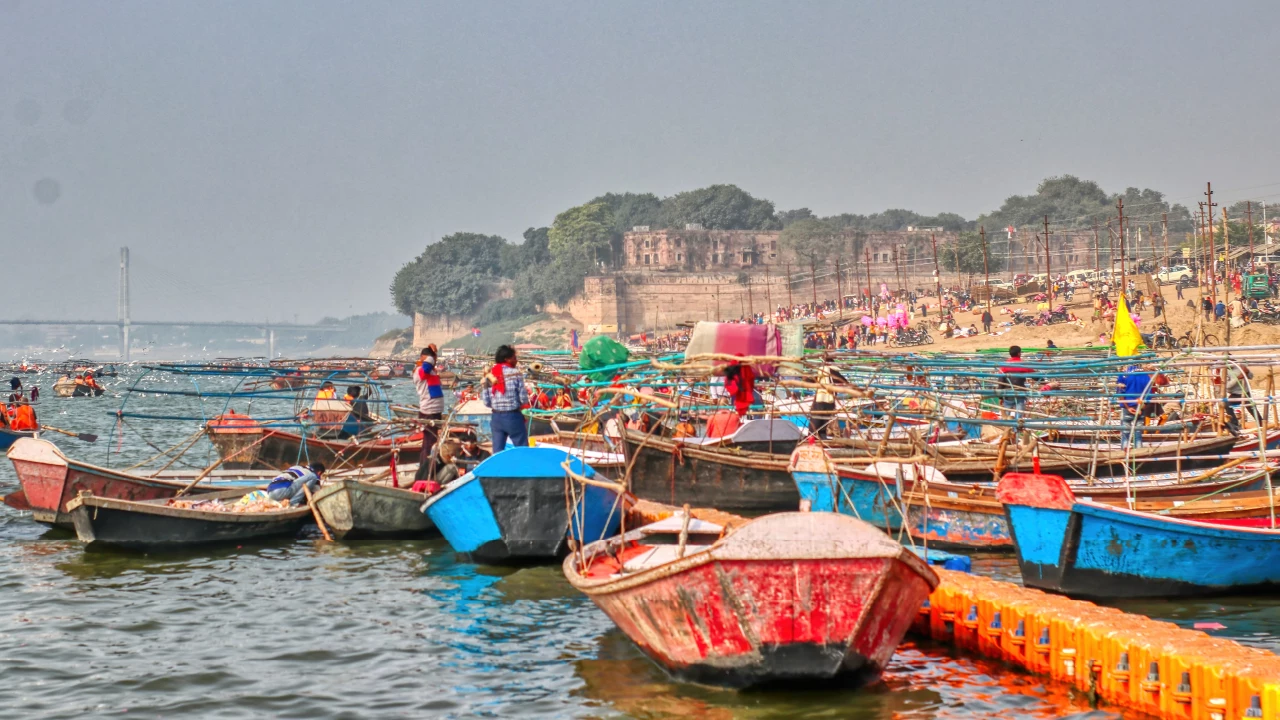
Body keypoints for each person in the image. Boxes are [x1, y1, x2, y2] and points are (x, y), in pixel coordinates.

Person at [482, 344, 530, 451]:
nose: (516, 360)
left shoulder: (490, 375)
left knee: (497, 452)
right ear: (507, 359)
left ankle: (498, 467)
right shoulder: (516, 374)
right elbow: (523, 399)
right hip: (513, 417)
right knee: (522, 450)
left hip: (496, 418)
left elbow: (486, 401)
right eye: (514, 358)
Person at [413, 346, 445, 481]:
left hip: (435, 410)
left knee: (431, 441)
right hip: (429, 411)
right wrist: (430, 356)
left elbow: (431, 363)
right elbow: (427, 365)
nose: (434, 361)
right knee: (429, 443)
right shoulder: (421, 370)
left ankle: (427, 469)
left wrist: (433, 355)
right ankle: (425, 472)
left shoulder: (429, 369)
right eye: (432, 358)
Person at [1116, 368, 1154, 448]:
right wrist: (1141, 407)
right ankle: (1139, 453)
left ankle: (1125, 453)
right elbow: (1148, 396)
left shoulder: (1123, 375)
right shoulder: (1146, 376)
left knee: (1125, 434)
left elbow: (1120, 394)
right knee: (1138, 433)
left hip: (1127, 408)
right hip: (1140, 408)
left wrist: (1128, 407)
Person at [997, 346, 1034, 416]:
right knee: (1019, 416)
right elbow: (1035, 375)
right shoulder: (1023, 365)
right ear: (1019, 353)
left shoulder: (1004, 366)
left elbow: (1000, 382)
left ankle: (1007, 425)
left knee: (1006, 415)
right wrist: (1043, 380)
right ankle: (1017, 426)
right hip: (1020, 392)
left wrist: (1000, 396)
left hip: (1008, 394)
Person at [1223, 363, 1258, 433]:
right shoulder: (1223, 371)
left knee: (1251, 407)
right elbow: (1227, 386)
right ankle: (1235, 424)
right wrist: (1238, 378)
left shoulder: (1239, 367)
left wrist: (1247, 371)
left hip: (1245, 393)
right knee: (1226, 404)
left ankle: (1261, 422)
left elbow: (1251, 376)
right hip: (1234, 394)